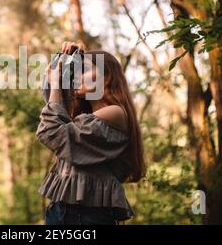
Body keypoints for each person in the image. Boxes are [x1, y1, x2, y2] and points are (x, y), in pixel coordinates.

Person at [36, 41, 145, 225]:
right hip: (62, 211)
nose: (77, 76)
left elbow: (52, 131)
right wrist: (61, 62)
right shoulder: (82, 117)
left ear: (107, 77)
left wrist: (56, 82)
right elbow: (55, 111)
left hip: (85, 216)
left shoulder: (115, 112)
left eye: (84, 70)